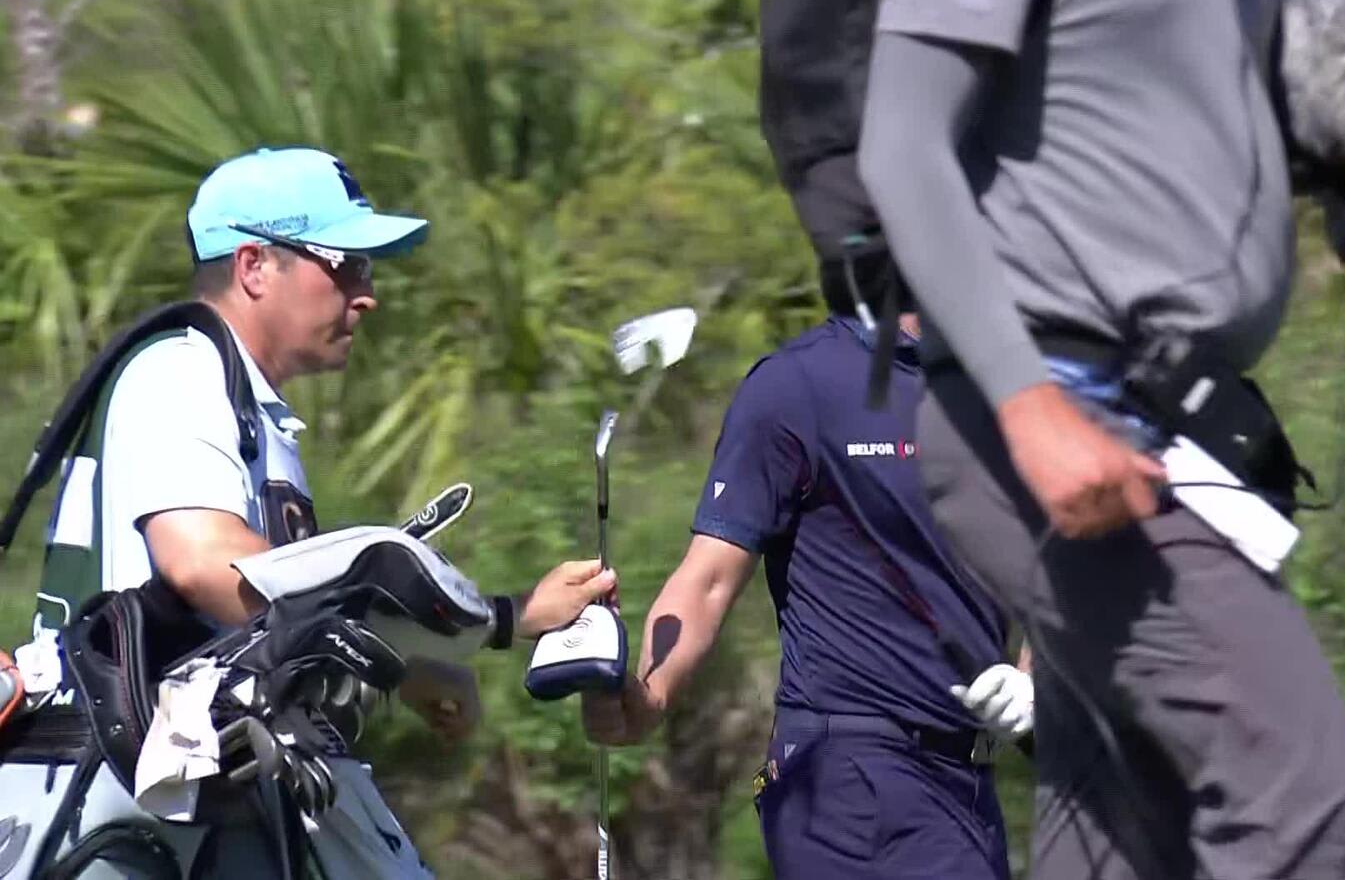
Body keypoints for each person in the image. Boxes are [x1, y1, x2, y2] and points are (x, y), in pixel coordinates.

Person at [857, 0, 1345, 878]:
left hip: (1157, 437)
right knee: (1303, 804)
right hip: (1054, 411)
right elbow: (902, 143)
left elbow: (1332, 56)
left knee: (1129, 829)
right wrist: (1030, 405)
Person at [0, 146, 618, 878]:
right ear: (254, 266)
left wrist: (404, 666)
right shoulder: (181, 370)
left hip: (170, 792)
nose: (367, 294)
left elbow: (267, 621)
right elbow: (207, 566)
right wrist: (502, 618)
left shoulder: (238, 398)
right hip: (115, 794)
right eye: (345, 265)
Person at [580, 310, 1033, 879]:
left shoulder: (1012, 388)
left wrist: (1035, 685)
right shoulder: (800, 382)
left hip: (967, 781)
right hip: (851, 773)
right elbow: (709, 577)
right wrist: (650, 695)